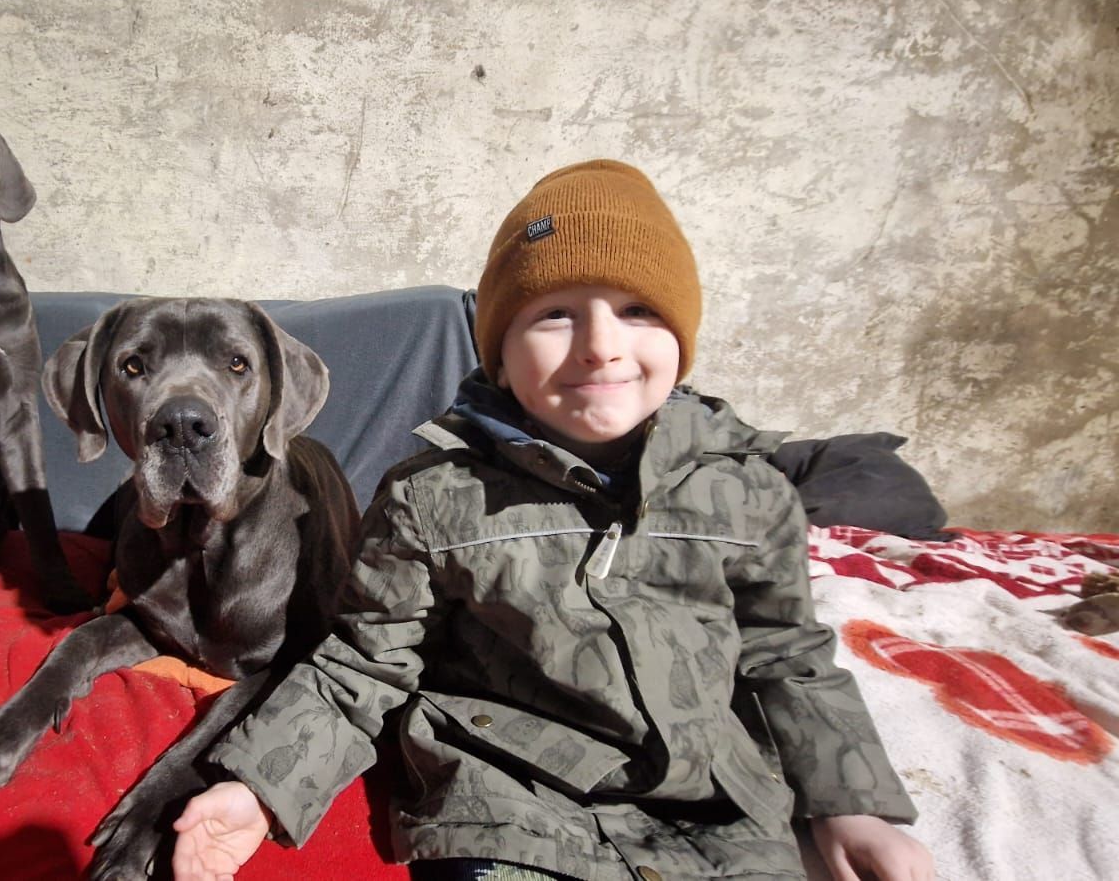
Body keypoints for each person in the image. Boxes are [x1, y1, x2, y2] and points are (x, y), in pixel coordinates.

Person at [172, 160, 934, 881]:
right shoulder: (428, 498)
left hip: (716, 817)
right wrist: (257, 785)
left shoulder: (749, 493)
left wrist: (851, 806)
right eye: (555, 315)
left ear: (681, 337)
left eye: (637, 311)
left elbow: (788, 657)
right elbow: (365, 661)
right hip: (506, 807)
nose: (602, 346)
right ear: (499, 352)